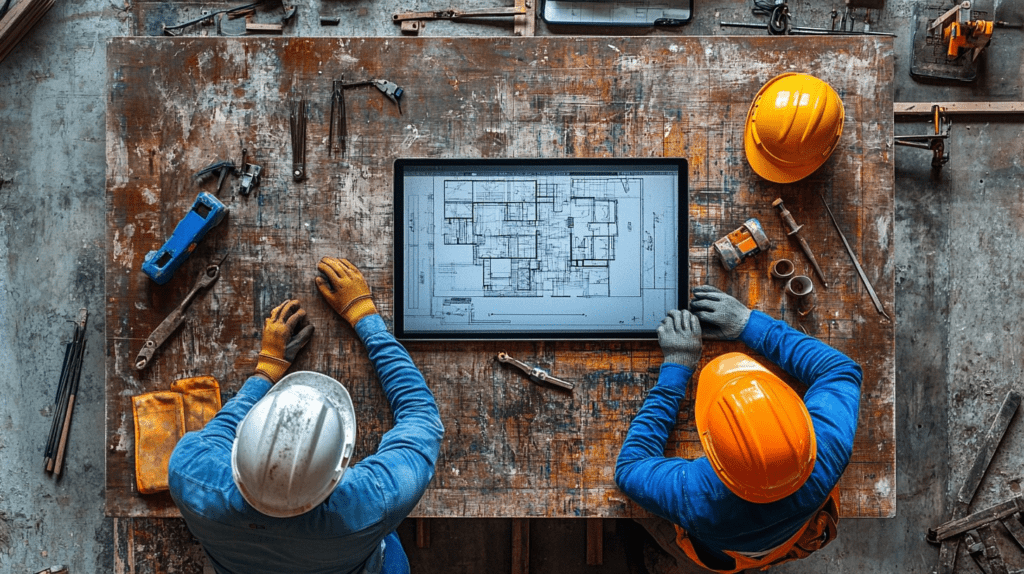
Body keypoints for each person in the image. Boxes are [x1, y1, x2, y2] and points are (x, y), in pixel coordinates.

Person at [168, 257, 444, 574]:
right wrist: (365, 317)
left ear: (241, 442)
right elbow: (421, 417)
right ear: (341, 466)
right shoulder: (366, 506)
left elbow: (222, 430)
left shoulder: (188, 474)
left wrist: (266, 371)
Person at [615, 285, 862, 573]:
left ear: (713, 452)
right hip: (789, 536)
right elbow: (840, 371)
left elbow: (630, 467)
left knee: (642, 519)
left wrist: (675, 369)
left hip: (722, 551)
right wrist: (749, 324)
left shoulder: (697, 497)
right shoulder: (827, 448)